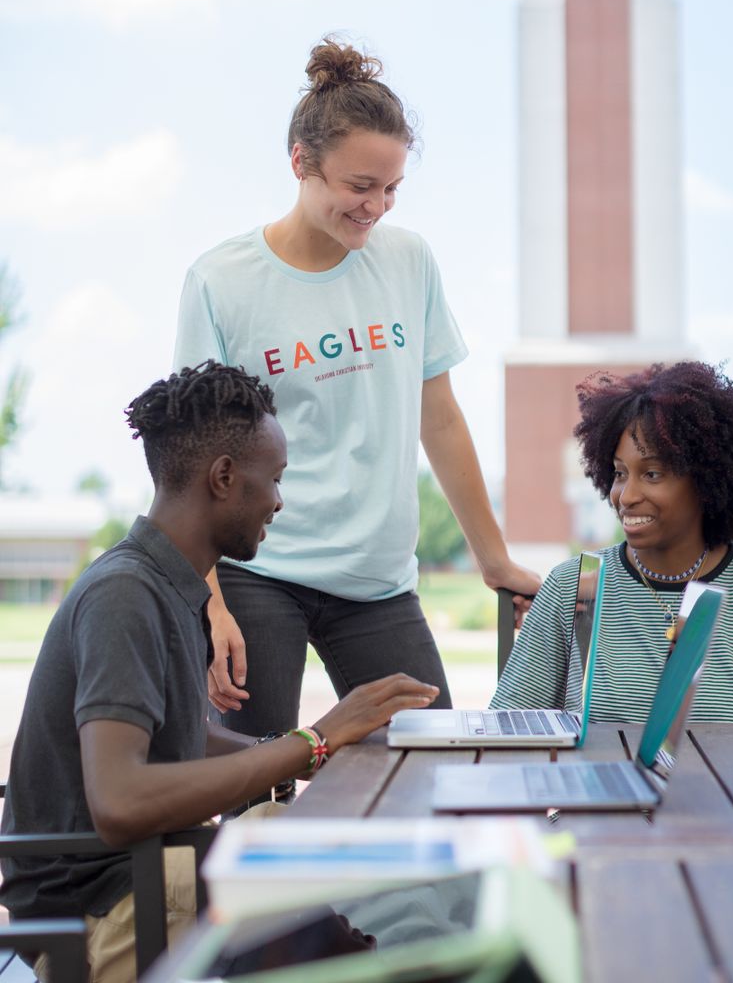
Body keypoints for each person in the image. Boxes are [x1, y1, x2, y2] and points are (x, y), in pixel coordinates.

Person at [0, 362, 439, 982]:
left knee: (317, 841)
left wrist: (310, 750)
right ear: (225, 477)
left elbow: (173, 730)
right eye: (275, 481)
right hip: (102, 907)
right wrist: (307, 741)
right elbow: (119, 803)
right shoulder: (125, 594)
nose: (279, 502)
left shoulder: (166, 584)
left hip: (140, 872)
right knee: (304, 886)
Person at [172, 36, 539, 737]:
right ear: (300, 164)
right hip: (259, 573)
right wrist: (209, 602)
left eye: (392, 188)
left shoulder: (408, 261)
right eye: (359, 187)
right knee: (255, 794)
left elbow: (441, 419)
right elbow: (191, 460)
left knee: (431, 771)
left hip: (378, 581)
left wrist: (494, 560)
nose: (376, 206)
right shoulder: (221, 281)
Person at [492, 361, 733, 723]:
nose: (626, 495)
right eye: (620, 474)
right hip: (596, 785)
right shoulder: (574, 584)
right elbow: (509, 721)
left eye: (652, 473)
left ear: (707, 482)